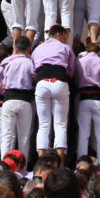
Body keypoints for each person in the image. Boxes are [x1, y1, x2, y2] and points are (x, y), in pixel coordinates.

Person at [32, 23, 75, 162]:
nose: (64, 39)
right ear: (58, 34)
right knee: (60, 124)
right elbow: (72, 72)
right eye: (64, 36)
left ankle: (41, 162)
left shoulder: (37, 49)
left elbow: (33, 73)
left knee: (43, 124)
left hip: (42, 83)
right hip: (59, 82)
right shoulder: (65, 48)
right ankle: (60, 163)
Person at [0, 35, 35, 162]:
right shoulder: (31, 62)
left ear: (15, 47)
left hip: (8, 100)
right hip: (25, 101)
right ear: (29, 47)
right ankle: (22, 168)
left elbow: (3, 85)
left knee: (7, 136)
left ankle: (5, 164)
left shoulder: (8, 62)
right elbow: (34, 78)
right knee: (24, 137)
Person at [75, 42, 100, 164]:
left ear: (86, 51)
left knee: (83, 132)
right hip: (99, 98)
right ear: (98, 52)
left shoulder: (80, 61)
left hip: (84, 98)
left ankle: (81, 161)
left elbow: (76, 78)